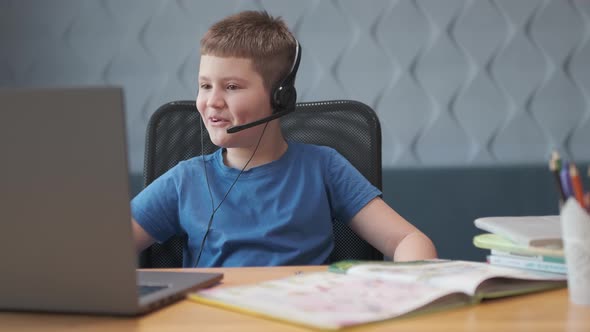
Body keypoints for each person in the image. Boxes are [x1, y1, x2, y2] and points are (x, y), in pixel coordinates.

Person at [131, 10, 437, 267]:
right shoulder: (185, 180)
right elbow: (103, 251)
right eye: (205, 85)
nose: (212, 101)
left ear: (280, 97)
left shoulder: (323, 168)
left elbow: (408, 239)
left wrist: (414, 287)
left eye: (232, 87)